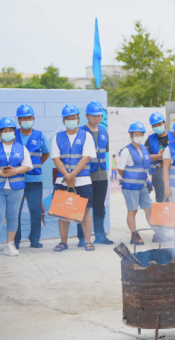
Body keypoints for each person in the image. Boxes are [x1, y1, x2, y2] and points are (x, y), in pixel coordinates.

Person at [51, 104, 97, 252]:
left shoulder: (86, 135)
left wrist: (72, 175)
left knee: (85, 211)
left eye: (74, 118)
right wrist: (67, 176)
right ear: (63, 120)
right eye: (68, 119)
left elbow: (86, 157)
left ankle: (88, 241)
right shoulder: (57, 137)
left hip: (82, 180)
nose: (71, 120)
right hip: (62, 181)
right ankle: (63, 242)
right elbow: (56, 159)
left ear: (78, 119)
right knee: (63, 212)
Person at [118, 122, 168, 244]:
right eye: (136, 134)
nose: (139, 136)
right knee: (132, 210)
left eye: (141, 134)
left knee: (149, 209)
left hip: (143, 186)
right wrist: (130, 179)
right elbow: (120, 169)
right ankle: (134, 235)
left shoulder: (144, 149)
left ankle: (157, 232)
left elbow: (149, 159)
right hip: (130, 187)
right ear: (131, 135)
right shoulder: (126, 151)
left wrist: (160, 156)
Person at [13, 104, 49, 249]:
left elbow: (45, 153)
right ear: (19, 120)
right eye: (23, 118)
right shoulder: (12, 134)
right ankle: (15, 240)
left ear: (33, 118)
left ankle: (35, 239)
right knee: (15, 212)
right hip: (16, 180)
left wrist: (34, 165)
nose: (27, 120)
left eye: (29, 117)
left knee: (36, 210)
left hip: (34, 180)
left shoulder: (40, 135)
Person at [77, 101, 112, 246]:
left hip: (101, 176)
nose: (96, 118)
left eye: (99, 115)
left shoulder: (104, 131)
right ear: (87, 116)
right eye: (93, 115)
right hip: (84, 176)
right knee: (82, 208)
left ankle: (100, 235)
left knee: (99, 207)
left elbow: (106, 151)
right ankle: (82, 238)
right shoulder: (80, 132)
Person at [0, 118, 33, 256]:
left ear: (14, 132)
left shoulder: (21, 147)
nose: (8, 133)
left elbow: (28, 165)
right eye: (5, 131)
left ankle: (9, 245)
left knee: (13, 216)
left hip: (17, 188)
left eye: (10, 130)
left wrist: (15, 171)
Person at [145, 112, 175, 205]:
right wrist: (159, 156)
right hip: (158, 176)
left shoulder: (174, 136)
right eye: (155, 125)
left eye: (159, 124)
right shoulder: (150, 139)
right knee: (162, 202)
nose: (157, 127)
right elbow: (146, 157)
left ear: (164, 123)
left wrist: (166, 156)